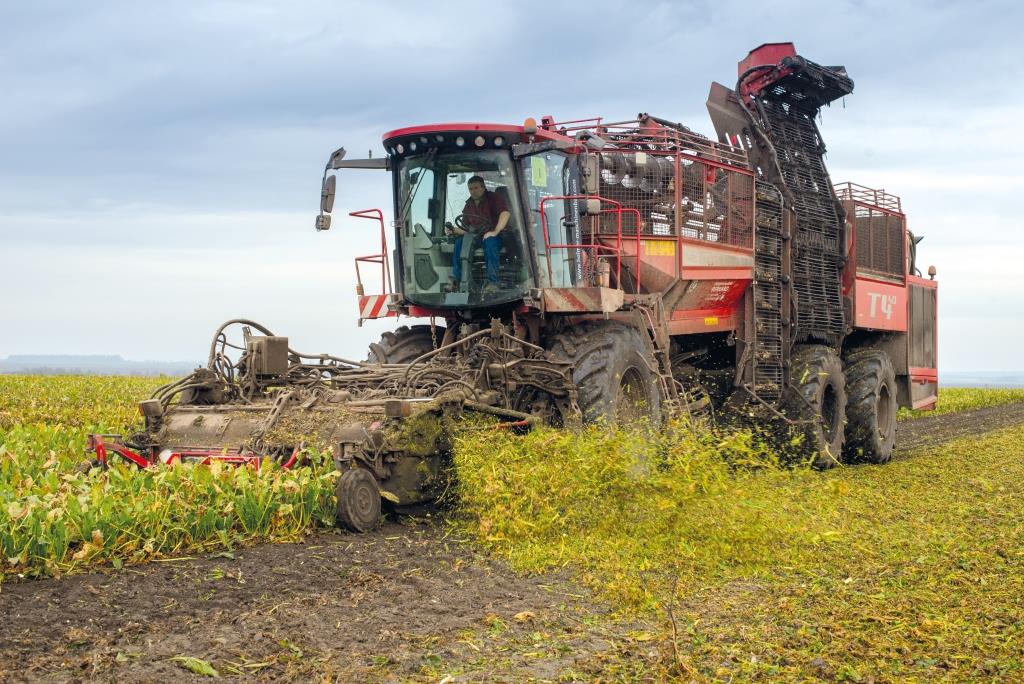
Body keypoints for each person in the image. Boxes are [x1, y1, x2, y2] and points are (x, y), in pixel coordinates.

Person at [446, 176, 510, 291]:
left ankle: (493, 282)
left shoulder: (494, 198)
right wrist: (454, 230)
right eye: (470, 189)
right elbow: (466, 228)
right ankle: (456, 278)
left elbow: (505, 214)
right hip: (476, 236)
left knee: (490, 243)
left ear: (483, 187)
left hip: (495, 235)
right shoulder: (469, 204)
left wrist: (495, 231)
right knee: (460, 242)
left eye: (476, 188)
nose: (473, 191)